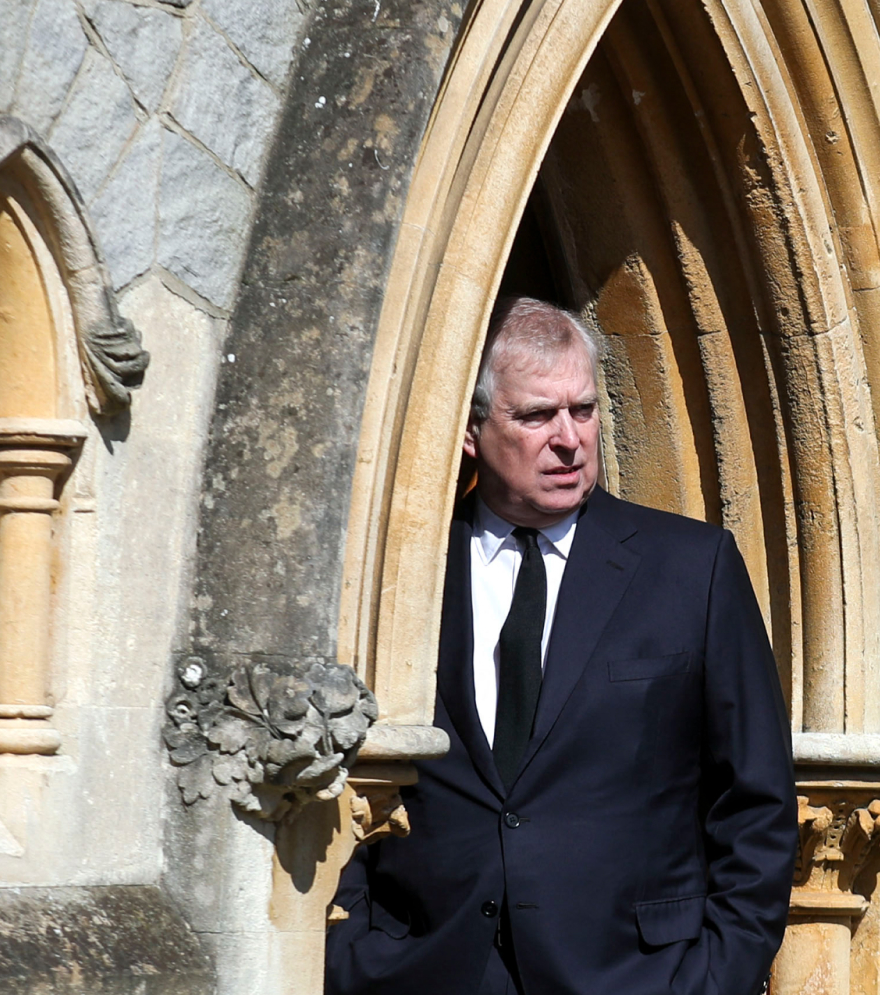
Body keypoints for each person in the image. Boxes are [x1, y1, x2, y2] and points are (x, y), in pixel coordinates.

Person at [325, 297, 797, 995]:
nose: (570, 439)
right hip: (421, 971)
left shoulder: (691, 568)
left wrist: (718, 978)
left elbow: (756, 797)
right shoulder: (398, 571)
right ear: (470, 429)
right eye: (537, 416)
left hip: (638, 977)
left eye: (583, 410)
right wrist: (351, 954)